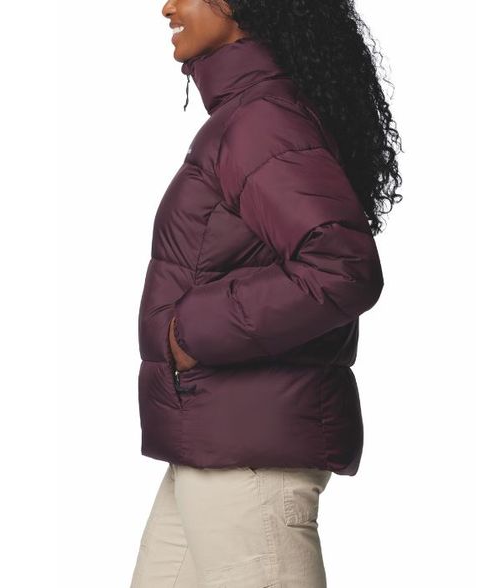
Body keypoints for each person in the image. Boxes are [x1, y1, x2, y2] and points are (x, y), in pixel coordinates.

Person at [131, 0, 402, 586]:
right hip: (212, 446)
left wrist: (189, 332)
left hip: (248, 460)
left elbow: (342, 267)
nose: (167, 6)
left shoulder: (261, 122)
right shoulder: (247, 117)